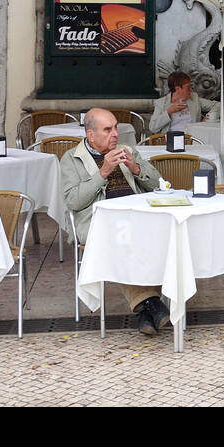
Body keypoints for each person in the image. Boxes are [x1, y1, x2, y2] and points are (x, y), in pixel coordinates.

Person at [59, 108, 170, 337]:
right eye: (107, 129)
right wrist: (103, 172)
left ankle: (146, 311)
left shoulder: (127, 151)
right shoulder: (71, 158)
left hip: (137, 216)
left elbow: (160, 184)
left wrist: (136, 168)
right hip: (99, 223)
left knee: (161, 235)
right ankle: (151, 303)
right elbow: (73, 201)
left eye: (116, 127)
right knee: (122, 238)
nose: (115, 134)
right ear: (90, 135)